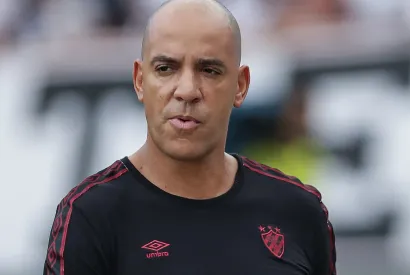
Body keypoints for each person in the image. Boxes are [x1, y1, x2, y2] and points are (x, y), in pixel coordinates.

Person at [43, 0, 337, 274]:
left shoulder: (300, 211)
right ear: (140, 80)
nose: (186, 90)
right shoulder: (90, 216)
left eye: (209, 70)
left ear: (240, 85)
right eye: (165, 68)